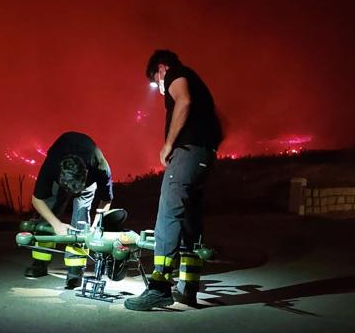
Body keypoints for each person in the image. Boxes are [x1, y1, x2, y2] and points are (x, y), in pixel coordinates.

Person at [125, 49, 222, 311]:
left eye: (155, 80)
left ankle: (159, 287)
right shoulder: (196, 80)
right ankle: (188, 287)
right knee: (190, 218)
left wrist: (168, 145)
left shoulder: (176, 74)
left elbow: (184, 101)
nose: (157, 88)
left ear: (161, 68)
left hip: (188, 153)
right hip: (204, 154)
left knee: (169, 212)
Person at [25, 131, 113, 289]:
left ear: (86, 173)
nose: (73, 193)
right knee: (49, 212)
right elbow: (37, 200)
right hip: (61, 173)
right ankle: (40, 263)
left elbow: (106, 200)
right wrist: (56, 224)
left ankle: (75, 272)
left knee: (81, 220)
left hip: (87, 182)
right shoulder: (52, 166)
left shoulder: (100, 167)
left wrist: (95, 225)